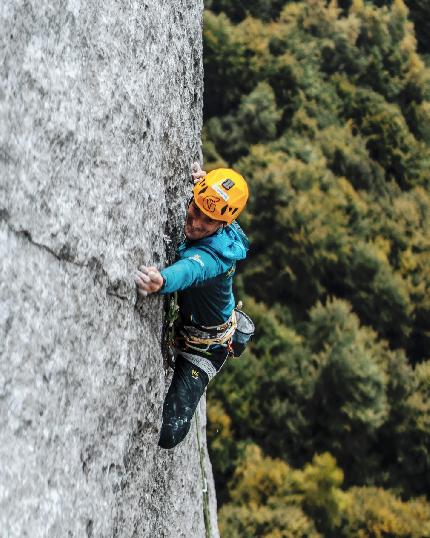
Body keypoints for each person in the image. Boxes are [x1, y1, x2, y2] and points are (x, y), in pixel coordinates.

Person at [134, 165, 249, 449]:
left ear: (220, 226)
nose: (195, 223)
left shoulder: (213, 258)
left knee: (169, 434)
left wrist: (161, 280)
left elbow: (190, 270)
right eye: (195, 209)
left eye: (207, 222)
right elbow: (213, 205)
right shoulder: (225, 223)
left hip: (204, 350)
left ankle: (235, 338)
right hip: (205, 320)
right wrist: (205, 183)